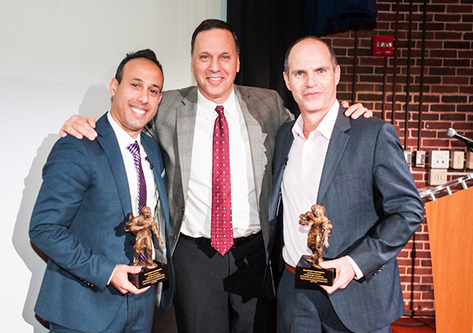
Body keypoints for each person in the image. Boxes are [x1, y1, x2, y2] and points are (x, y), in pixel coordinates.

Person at [59, 20, 371, 333]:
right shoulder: (166, 105)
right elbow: (126, 124)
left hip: (253, 253)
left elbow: (311, 131)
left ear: (237, 62)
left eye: (224, 57)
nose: (214, 67)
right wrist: (86, 126)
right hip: (194, 256)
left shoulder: (268, 104)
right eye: (204, 57)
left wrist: (348, 115)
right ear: (192, 63)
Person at [268, 37, 424, 332]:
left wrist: (354, 263)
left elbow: (408, 211)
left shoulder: (372, 134)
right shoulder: (283, 137)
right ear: (288, 81)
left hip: (359, 295)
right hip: (296, 293)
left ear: (337, 74)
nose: (311, 82)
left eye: (321, 71)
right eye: (300, 73)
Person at [29, 49, 174, 333]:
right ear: (114, 86)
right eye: (135, 85)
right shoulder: (79, 144)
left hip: (141, 309)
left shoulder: (153, 150)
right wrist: (107, 272)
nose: (144, 97)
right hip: (84, 312)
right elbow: (44, 228)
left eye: (153, 90)